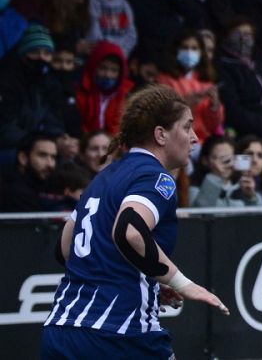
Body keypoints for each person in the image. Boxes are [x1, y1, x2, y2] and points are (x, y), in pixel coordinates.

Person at [40, 87, 229, 358]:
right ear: (161, 134)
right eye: (187, 127)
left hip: (61, 329)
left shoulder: (102, 178)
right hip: (119, 332)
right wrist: (181, 282)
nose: (195, 137)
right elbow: (130, 230)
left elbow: (65, 249)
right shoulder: (157, 177)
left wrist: (143, 276)